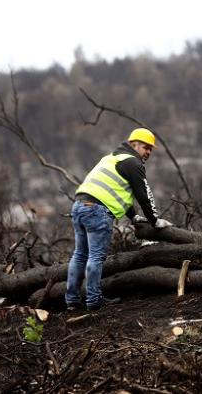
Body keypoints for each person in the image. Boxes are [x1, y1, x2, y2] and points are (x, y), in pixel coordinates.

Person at [65, 128, 160, 311]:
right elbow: (143, 196)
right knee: (96, 256)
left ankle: (72, 300)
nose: (148, 152)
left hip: (79, 206)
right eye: (145, 147)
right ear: (134, 144)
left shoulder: (111, 158)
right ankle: (93, 300)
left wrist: (133, 217)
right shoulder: (134, 163)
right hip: (97, 211)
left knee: (79, 255)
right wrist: (154, 221)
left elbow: (116, 192)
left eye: (150, 149)